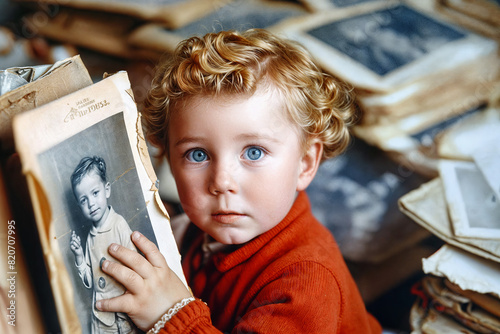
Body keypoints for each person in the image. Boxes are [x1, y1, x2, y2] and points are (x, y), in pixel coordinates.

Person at [95, 29, 382, 333]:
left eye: (254, 152)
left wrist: (169, 315)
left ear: (305, 163)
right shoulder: (207, 229)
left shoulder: (307, 282)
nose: (221, 182)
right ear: (167, 158)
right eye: (197, 155)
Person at [69, 156, 138, 333]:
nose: (91, 203)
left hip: (126, 315)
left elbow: (135, 267)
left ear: (106, 190)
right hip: (102, 318)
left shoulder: (119, 225)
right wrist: (78, 256)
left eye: (95, 193)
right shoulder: (90, 238)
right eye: (83, 200)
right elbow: (90, 281)